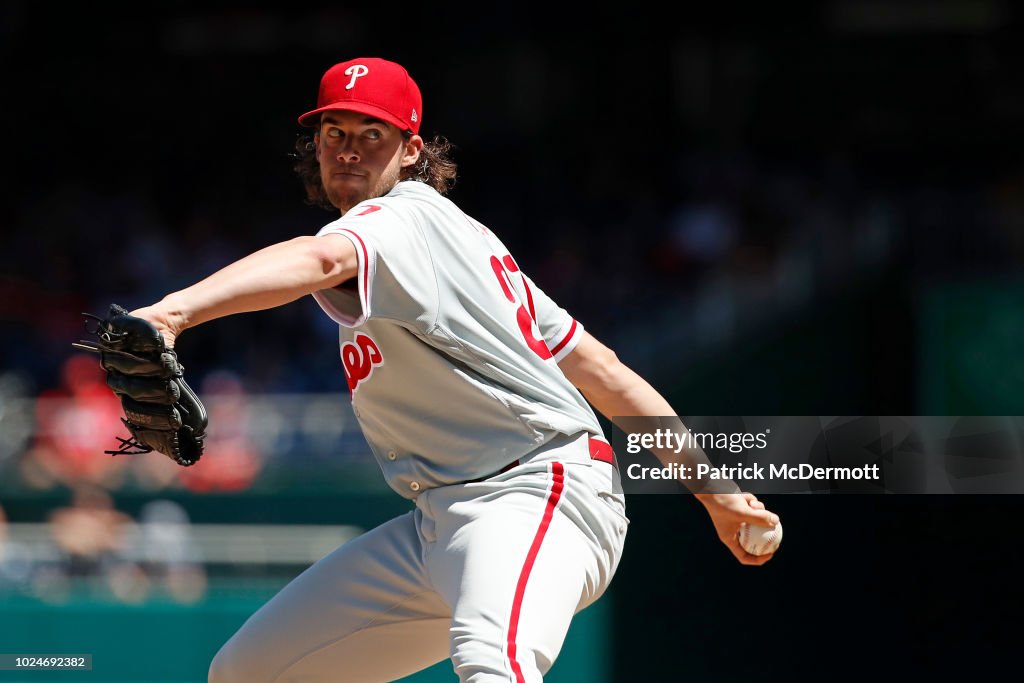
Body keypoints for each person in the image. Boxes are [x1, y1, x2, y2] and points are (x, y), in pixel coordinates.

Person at [121, 57, 780, 682]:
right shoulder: (469, 245)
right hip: (439, 521)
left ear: (412, 150)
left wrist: (172, 313)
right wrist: (717, 494)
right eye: (333, 131)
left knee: (494, 664)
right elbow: (602, 370)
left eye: (371, 133)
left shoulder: (401, 219)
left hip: (536, 491)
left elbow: (318, 261)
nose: (348, 148)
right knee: (246, 671)